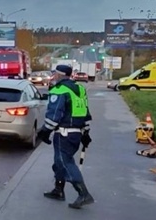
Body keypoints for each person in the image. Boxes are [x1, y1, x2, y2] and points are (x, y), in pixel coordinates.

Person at [37, 64, 94, 209]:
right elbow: (84, 111)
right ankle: (58, 190)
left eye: (54, 73)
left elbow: (54, 115)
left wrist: (45, 131)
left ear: (60, 75)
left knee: (65, 163)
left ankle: (83, 194)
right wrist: (86, 132)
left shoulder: (59, 90)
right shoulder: (80, 89)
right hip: (76, 133)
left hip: (64, 133)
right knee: (59, 162)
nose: (53, 76)